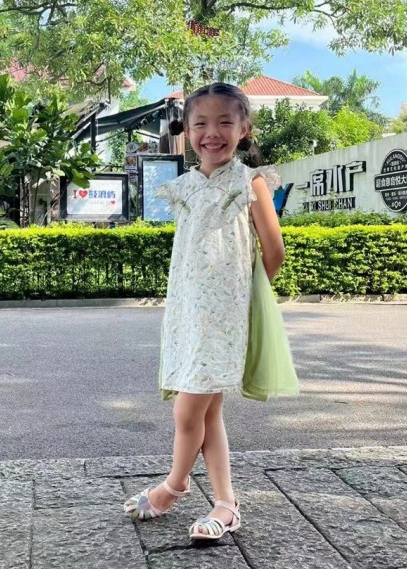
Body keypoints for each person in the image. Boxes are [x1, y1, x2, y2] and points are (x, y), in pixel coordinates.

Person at [123, 82, 286, 541]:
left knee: (187, 411)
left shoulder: (250, 182)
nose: (212, 133)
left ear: (244, 129)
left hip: (224, 316)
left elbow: (273, 251)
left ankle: (172, 487)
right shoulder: (186, 187)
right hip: (188, 313)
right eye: (200, 124)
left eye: (224, 122)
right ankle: (225, 505)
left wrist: (243, 298)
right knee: (208, 413)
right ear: (186, 131)